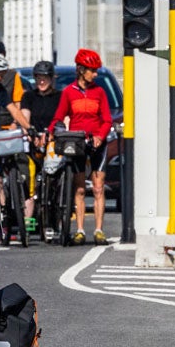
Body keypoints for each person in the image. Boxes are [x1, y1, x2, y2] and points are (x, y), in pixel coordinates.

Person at [49, 48, 114, 244]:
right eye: (91, 70)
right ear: (80, 70)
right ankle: (79, 230)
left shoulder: (100, 92)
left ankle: (99, 230)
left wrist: (100, 137)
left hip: (97, 143)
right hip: (77, 143)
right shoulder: (69, 92)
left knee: (98, 188)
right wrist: (53, 132)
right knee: (79, 189)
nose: (95, 74)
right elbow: (58, 118)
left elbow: (107, 120)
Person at [20, 60, 63, 230]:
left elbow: (63, 120)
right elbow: (25, 119)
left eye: (45, 77)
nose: (42, 81)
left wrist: (52, 136)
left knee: (56, 175)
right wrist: (31, 134)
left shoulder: (60, 97)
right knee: (28, 176)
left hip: (53, 143)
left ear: (52, 78)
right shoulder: (29, 97)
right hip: (34, 144)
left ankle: (57, 214)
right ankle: (27, 220)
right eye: (38, 77)